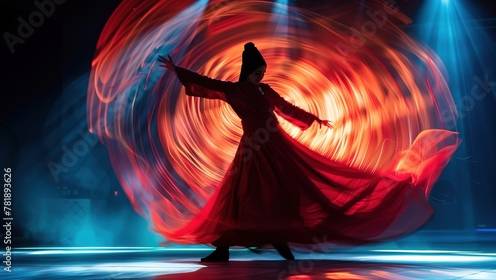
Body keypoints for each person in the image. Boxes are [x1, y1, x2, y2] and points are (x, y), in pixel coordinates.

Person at [157, 42, 437, 262]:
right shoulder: (233, 91)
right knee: (240, 194)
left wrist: (313, 118)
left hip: (277, 145)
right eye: (257, 72)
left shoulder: (266, 90)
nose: (260, 76)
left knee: (282, 190)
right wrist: (178, 70)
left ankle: (278, 237)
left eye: (262, 73)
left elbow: (286, 108)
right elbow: (205, 83)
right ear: (248, 71)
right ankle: (225, 247)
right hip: (252, 147)